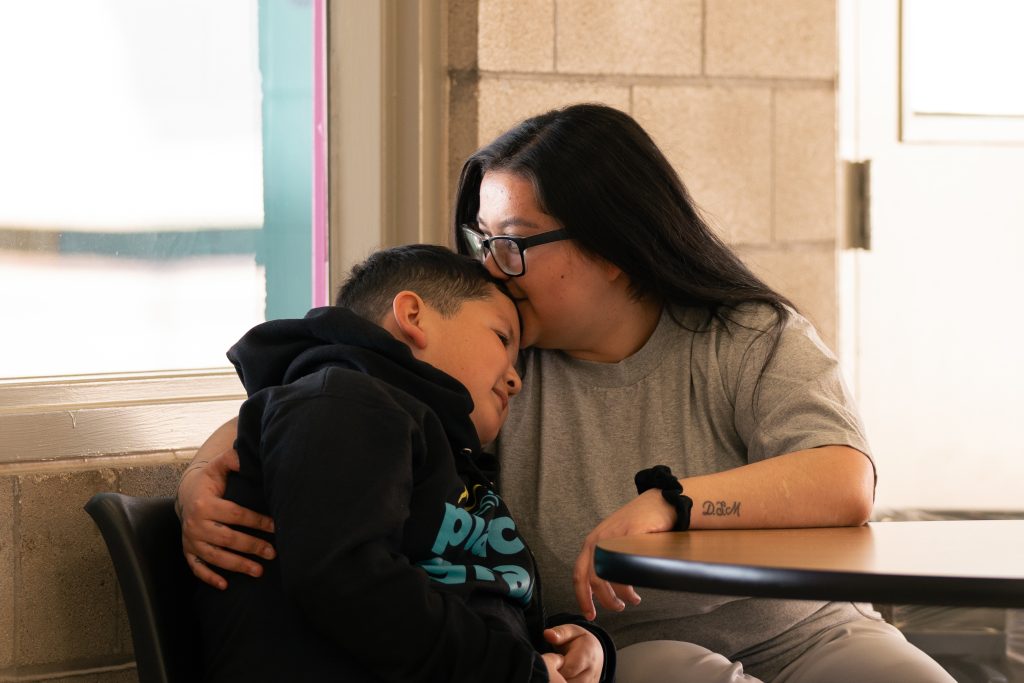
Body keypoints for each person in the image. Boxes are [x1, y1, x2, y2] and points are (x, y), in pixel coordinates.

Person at [178, 104, 955, 683]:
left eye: (512, 242)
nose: (489, 268)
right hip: (631, 656)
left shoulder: (747, 334)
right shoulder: (496, 370)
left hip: (811, 635)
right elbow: (332, 388)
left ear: (613, 247)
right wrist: (200, 476)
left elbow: (840, 479)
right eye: (482, 240)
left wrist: (670, 503)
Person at [191, 244, 614, 683]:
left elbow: (472, 593)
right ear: (414, 317)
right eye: (502, 339)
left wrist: (575, 644)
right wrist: (519, 672)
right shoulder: (341, 403)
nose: (516, 378)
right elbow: (348, 582)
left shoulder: (442, 454)